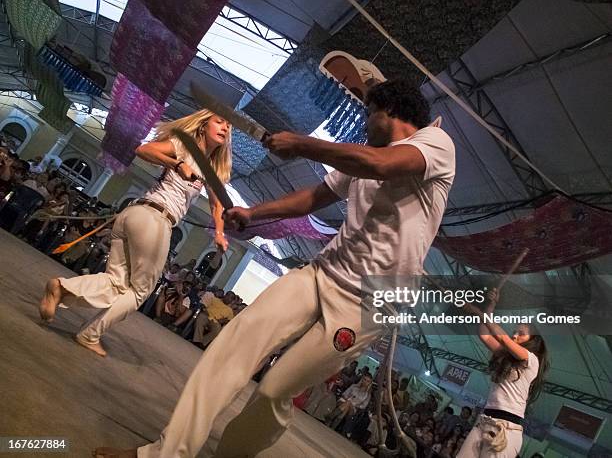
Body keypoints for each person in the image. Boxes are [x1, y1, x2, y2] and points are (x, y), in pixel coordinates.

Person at [95, 78, 456, 457]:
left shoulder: (434, 144)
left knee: (275, 390)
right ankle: (165, 453)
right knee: (232, 347)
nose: (364, 124)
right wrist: (253, 213)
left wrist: (302, 144)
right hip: (323, 272)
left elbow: (383, 166)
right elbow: (313, 197)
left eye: (368, 114)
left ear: (391, 111)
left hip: (373, 300)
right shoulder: (362, 155)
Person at [38, 109, 232, 357]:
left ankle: (61, 287)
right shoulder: (184, 146)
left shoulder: (211, 169)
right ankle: (90, 334)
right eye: (220, 121)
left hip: (136, 216)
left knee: (118, 283)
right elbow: (144, 150)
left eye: (228, 126)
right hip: (154, 219)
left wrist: (219, 232)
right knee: (140, 291)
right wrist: (177, 163)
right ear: (203, 125)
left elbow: (217, 205)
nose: (226, 128)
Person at [457, 290, 549, 458]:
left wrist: (478, 312)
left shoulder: (532, 360)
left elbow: (503, 339)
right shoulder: (504, 355)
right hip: (484, 421)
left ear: (533, 340)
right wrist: (491, 305)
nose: (515, 335)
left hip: (506, 428)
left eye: (521, 334)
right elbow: (484, 335)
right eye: (514, 331)